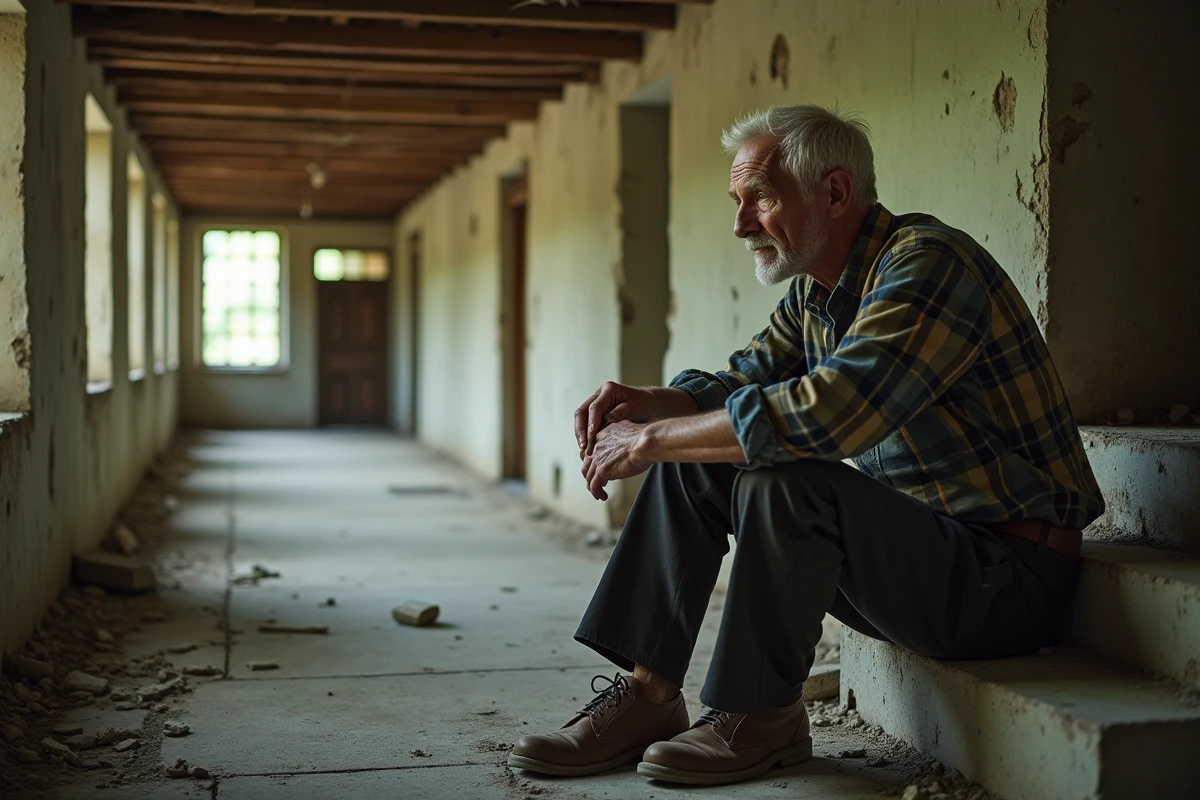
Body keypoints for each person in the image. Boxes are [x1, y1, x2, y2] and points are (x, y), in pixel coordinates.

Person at [507, 104, 1104, 787]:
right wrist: (649, 404)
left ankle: (762, 715)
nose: (740, 224)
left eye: (760, 198)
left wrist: (648, 439)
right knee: (697, 454)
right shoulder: (818, 296)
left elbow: (834, 414)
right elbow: (739, 385)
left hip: (1006, 580)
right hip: (920, 557)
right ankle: (649, 696)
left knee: (784, 479)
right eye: (737, 202)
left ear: (836, 193)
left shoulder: (930, 265)